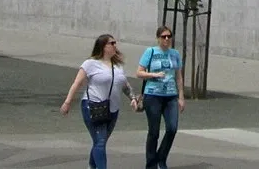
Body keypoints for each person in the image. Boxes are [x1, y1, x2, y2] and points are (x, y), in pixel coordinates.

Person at [61, 34, 141, 169]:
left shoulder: (117, 66)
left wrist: (133, 98)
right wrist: (67, 102)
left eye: (115, 43)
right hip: (93, 106)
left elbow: (125, 85)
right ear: (103, 47)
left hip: (112, 109)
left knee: (100, 142)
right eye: (112, 43)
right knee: (100, 141)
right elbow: (77, 83)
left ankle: (92, 166)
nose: (115, 45)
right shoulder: (90, 64)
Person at [138, 25, 185, 169]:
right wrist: (153, 74)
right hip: (153, 95)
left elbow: (178, 77)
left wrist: (181, 97)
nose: (167, 39)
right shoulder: (150, 52)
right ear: (158, 38)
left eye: (169, 36)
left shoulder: (175, 54)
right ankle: (151, 163)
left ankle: (161, 157)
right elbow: (139, 73)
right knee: (154, 131)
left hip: (170, 96)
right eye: (163, 36)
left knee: (172, 128)